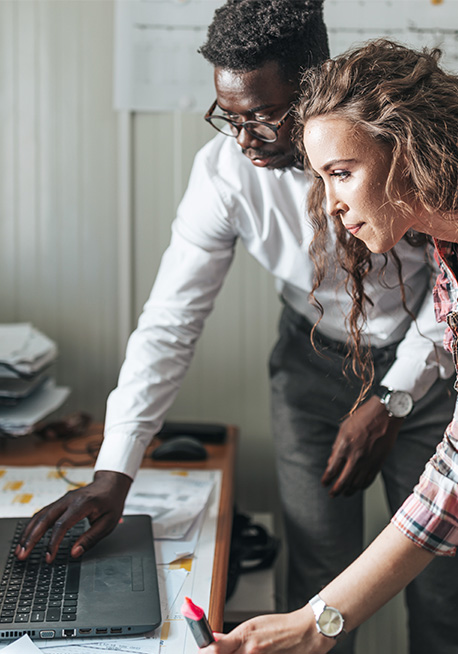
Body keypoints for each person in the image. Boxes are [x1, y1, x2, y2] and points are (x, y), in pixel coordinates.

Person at [15, 4, 456, 651]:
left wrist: (394, 396)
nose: (243, 138)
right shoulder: (230, 175)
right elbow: (168, 324)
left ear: (309, 88)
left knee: (442, 591)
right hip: (315, 358)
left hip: (425, 362)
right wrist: (115, 472)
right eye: (229, 116)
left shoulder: (398, 173)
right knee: (319, 572)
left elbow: (442, 498)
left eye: (261, 115)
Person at [203, 38, 458, 654]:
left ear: (408, 149)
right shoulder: (446, 255)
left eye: (341, 173)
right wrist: (320, 621)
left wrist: (319, 622)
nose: (332, 203)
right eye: (322, 177)